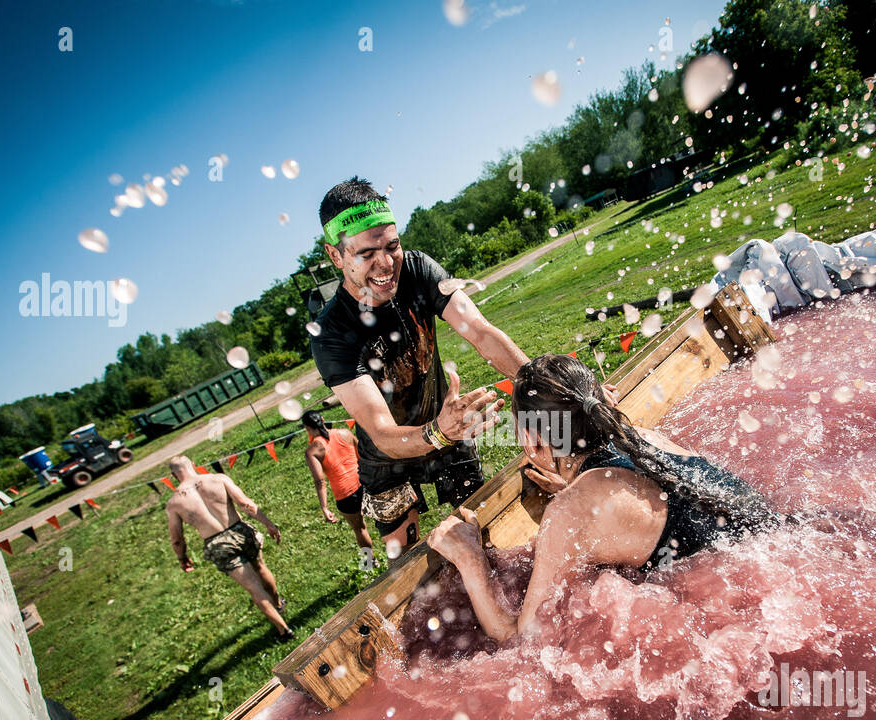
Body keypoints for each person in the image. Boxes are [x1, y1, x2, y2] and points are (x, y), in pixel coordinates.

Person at [426, 354, 790, 646]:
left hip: (745, 604)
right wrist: (571, 485)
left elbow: (523, 640)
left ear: (531, 439)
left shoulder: (573, 511)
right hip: (782, 550)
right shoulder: (642, 438)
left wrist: (470, 558)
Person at [307, 176, 529, 568]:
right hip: (388, 458)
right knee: (409, 574)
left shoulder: (418, 269)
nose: (385, 263)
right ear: (336, 256)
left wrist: (546, 383)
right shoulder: (331, 332)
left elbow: (479, 331)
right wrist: (436, 432)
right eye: (366, 253)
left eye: (392, 246)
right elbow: (380, 431)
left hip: (449, 430)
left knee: (485, 546)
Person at [164, 455, 294, 641]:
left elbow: (177, 539)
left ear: (173, 476)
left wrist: (182, 558)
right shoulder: (217, 479)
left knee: (252, 587)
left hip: (218, 544)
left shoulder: (174, 503)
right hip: (240, 530)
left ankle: (283, 630)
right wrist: (268, 524)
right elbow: (245, 504)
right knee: (261, 568)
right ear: (193, 465)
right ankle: (278, 604)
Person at [302, 410, 376, 564]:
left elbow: (319, 481)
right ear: (323, 419)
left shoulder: (312, 451)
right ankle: (398, 550)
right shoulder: (345, 433)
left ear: (307, 429)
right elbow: (362, 455)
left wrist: (324, 507)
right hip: (364, 484)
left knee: (359, 529)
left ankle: (370, 562)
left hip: (345, 496)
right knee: (383, 519)